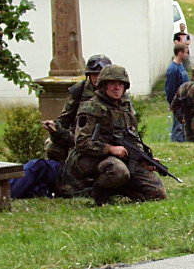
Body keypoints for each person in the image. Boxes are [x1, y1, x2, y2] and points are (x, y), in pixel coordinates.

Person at [65, 65, 167, 206]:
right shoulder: (91, 107)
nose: (117, 87)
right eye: (112, 83)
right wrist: (110, 149)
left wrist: (143, 158)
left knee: (156, 193)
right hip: (92, 158)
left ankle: (120, 187)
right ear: (104, 85)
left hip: (121, 158)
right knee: (119, 171)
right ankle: (98, 192)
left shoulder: (126, 106)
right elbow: (82, 142)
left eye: (120, 84)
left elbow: (132, 136)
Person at [42, 53, 113, 162]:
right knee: (52, 148)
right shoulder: (79, 90)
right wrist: (55, 128)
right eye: (94, 74)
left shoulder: (116, 92)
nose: (97, 78)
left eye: (100, 74)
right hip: (81, 136)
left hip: (107, 137)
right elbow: (65, 118)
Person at [165, 42, 190, 142]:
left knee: (183, 126)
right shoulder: (173, 69)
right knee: (178, 126)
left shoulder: (181, 66)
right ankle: (176, 142)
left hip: (185, 101)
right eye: (185, 53)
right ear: (180, 53)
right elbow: (170, 88)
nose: (187, 55)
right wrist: (173, 103)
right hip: (178, 102)